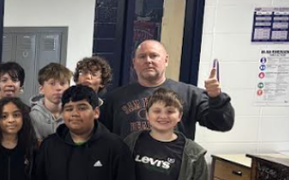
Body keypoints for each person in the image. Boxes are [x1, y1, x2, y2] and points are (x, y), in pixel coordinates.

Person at [99, 39, 234, 141]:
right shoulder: (115, 98)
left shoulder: (189, 94)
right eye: (142, 57)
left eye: (154, 56)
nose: (148, 61)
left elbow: (223, 124)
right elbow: (101, 138)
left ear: (166, 60)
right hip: (129, 172)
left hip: (175, 173)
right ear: (134, 63)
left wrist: (216, 98)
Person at [30, 63, 72, 141]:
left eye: (62, 83)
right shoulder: (33, 116)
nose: (58, 88)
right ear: (41, 89)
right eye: (52, 83)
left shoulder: (74, 114)